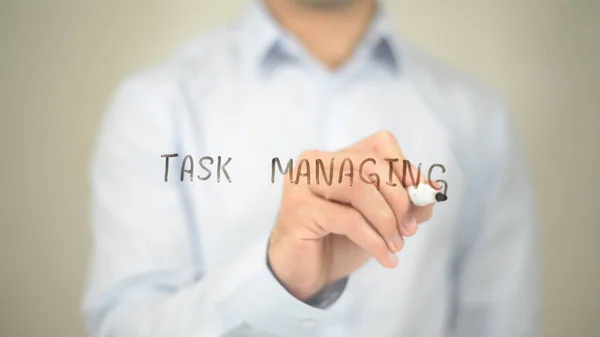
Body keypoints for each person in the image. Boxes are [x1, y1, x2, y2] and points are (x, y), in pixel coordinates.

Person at [82, 0, 540, 336]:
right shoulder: (156, 106)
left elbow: (500, 325)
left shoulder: (477, 117)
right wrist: (276, 280)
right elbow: (127, 326)